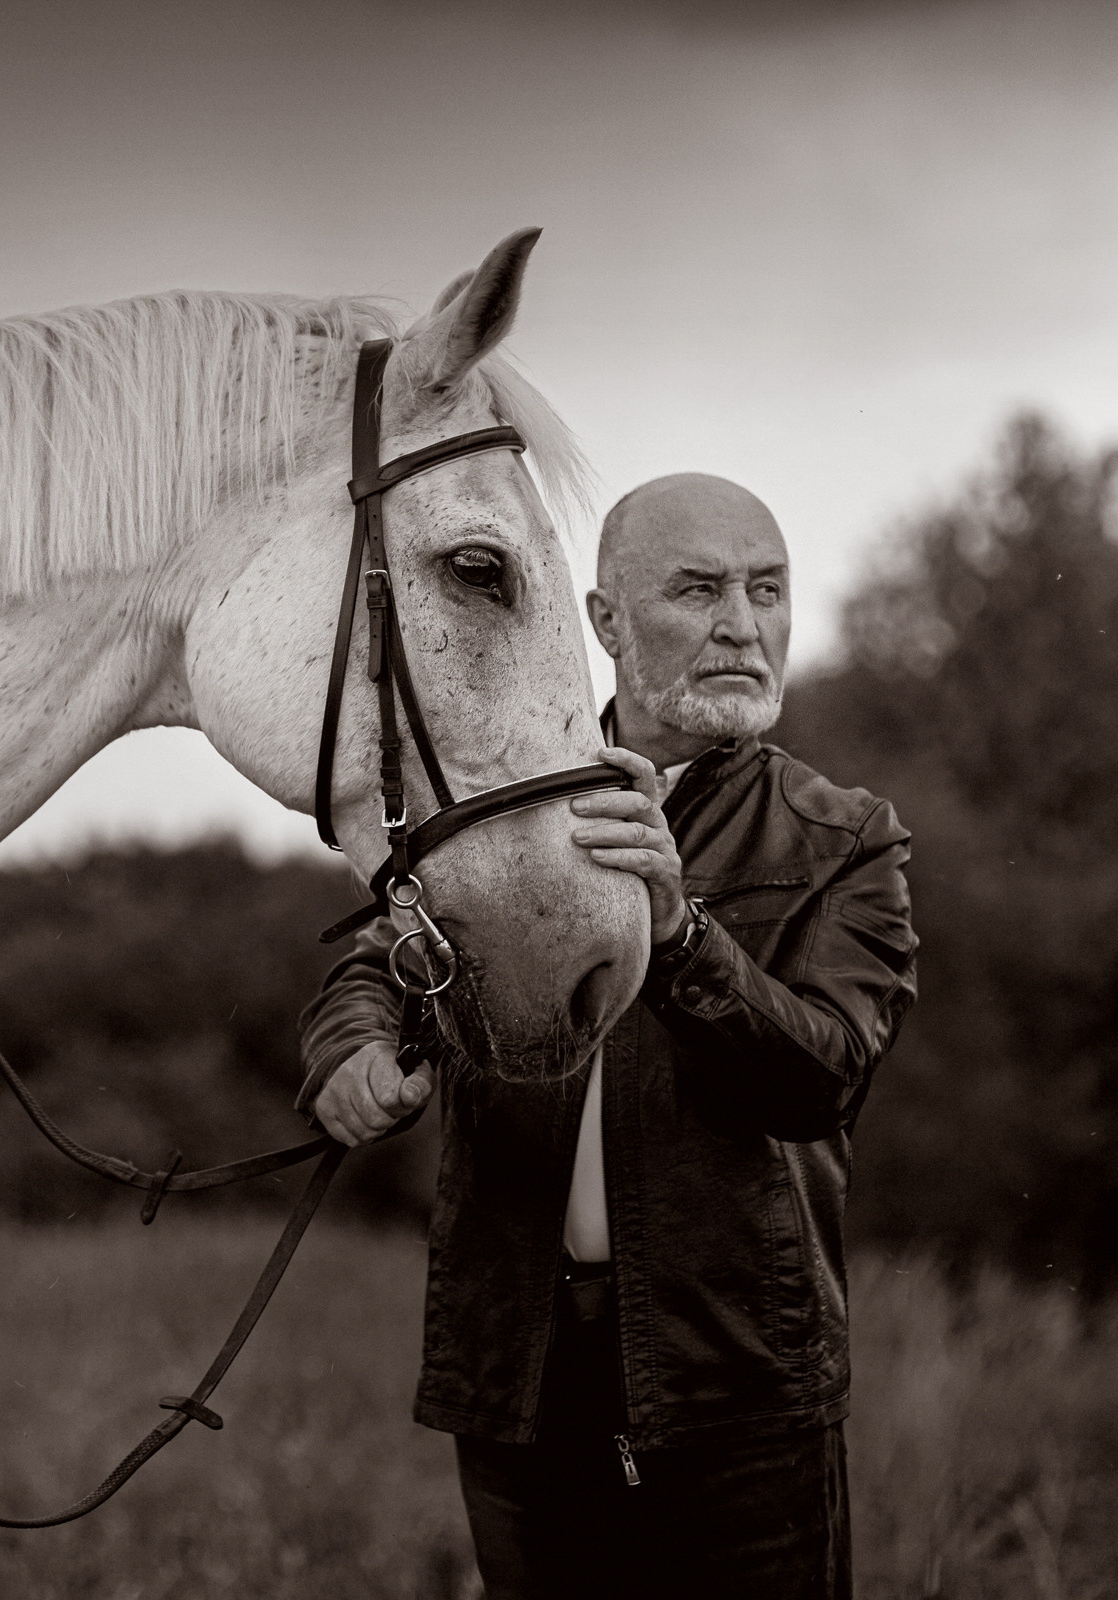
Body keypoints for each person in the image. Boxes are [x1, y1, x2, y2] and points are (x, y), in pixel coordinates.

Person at [297, 472, 917, 1599]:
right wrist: (348, 1046)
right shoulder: (498, 804)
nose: (742, 623)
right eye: (698, 589)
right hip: (523, 1369)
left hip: (734, 1376)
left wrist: (679, 931)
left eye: (767, 589)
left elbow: (823, 1079)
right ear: (606, 622)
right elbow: (379, 953)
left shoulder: (843, 837)